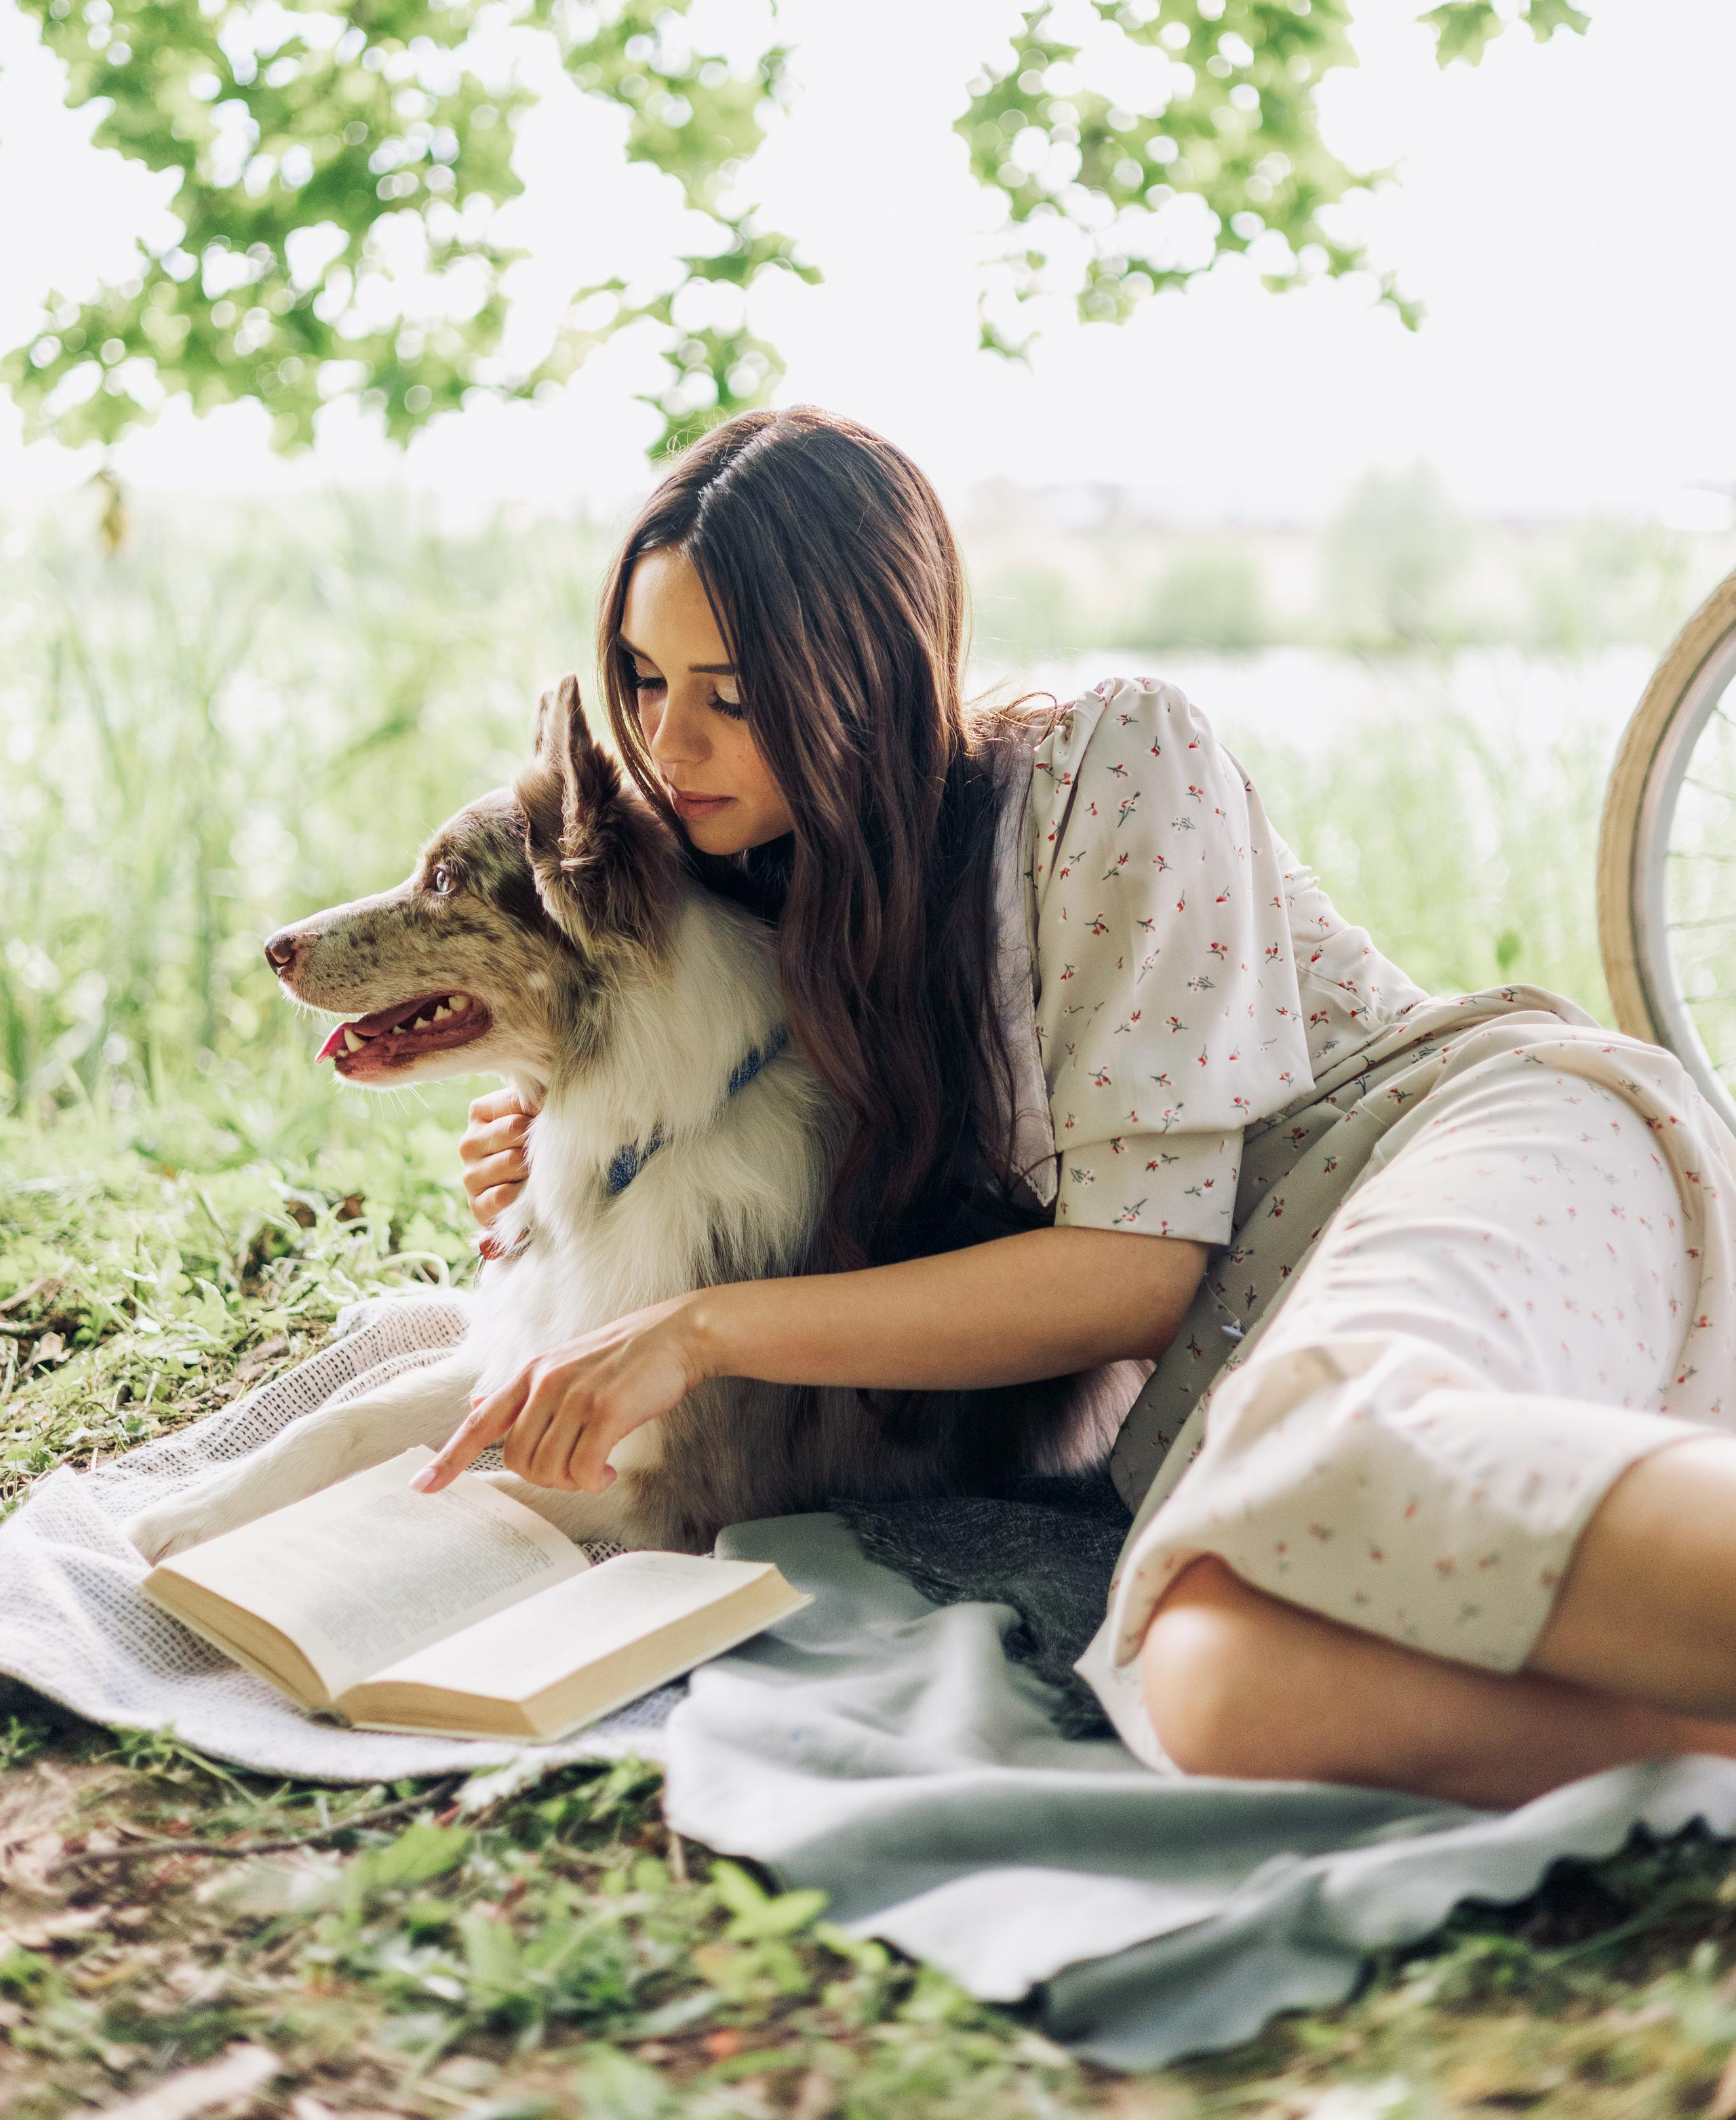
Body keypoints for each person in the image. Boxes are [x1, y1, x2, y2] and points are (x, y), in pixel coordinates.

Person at [428, 407, 1736, 1809]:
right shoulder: (766, 891)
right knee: (1213, 1681)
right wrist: (572, 1139)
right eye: (639, 677)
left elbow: (1133, 1271)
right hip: (1240, 1372)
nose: (667, 743)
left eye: (733, 695)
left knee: (1350, 1441)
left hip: (1457, 1149)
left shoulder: (1104, 764)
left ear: (867, 671)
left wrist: (697, 1333)